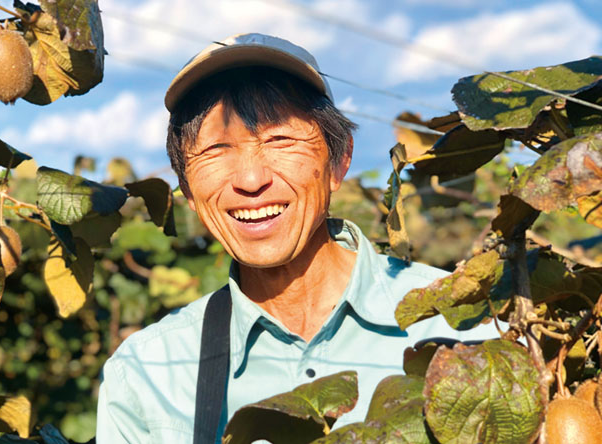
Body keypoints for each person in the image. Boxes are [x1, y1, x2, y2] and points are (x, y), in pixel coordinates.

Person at [96, 33, 496, 443]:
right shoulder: (146, 376)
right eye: (216, 149)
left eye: (279, 140)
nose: (251, 179)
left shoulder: (467, 325)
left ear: (339, 160)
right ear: (187, 189)